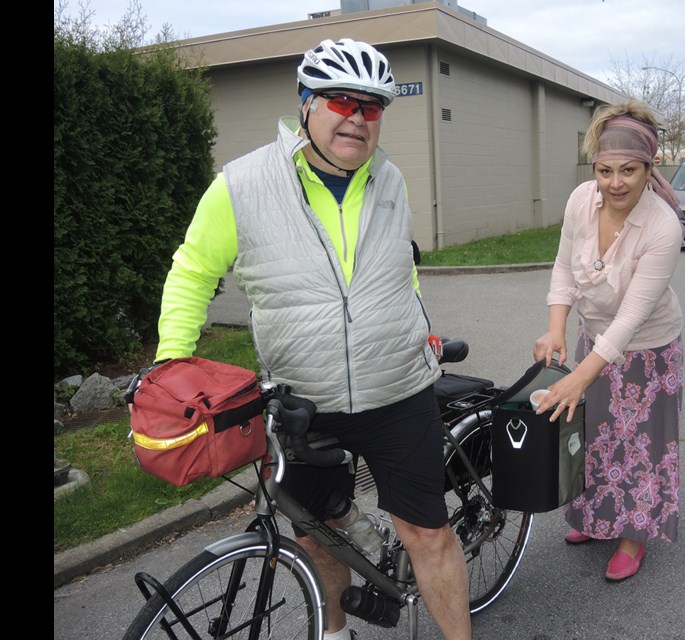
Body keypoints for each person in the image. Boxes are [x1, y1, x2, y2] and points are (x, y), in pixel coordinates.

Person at [150, 38, 471, 640]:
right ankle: (334, 632)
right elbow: (193, 271)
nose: (356, 117)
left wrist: (416, 323)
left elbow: (402, 264)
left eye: (371, 108)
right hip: (303, 400)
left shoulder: (391, 179)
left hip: (397, 390)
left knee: (427, 533)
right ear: (305, 105)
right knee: (315, 531)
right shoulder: (242, 185)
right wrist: (172, 365)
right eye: (341, 101)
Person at [532, 99, 685, 584]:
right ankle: (596, 519)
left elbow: (632, 318)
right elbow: (562, 267)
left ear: (649, 166)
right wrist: (556, 328)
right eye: (604, 170)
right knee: (593, 435)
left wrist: (579, 377)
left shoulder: (663, 227)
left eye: (629, 170)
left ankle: (633, 535)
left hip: (649, 349)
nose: (615, 182)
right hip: (592, 336)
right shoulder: (582, 200)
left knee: (640, 444)